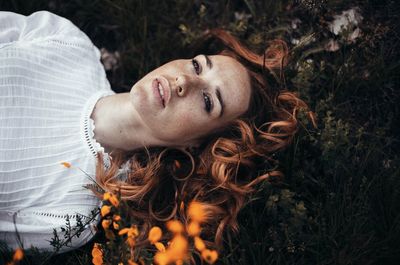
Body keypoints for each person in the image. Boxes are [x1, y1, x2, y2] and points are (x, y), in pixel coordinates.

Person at [0, 11, 314, 253]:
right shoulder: (68, 43)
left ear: (197, 145)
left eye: (207, 101)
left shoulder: (71, 215)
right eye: (197, 66)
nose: (184, 82)